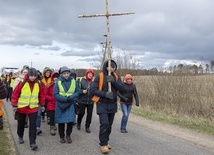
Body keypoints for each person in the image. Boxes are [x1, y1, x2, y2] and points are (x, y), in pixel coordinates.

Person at [91, 60, 124, 154]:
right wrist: (105, 94)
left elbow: (122, 88)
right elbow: (93, 90)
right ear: (105, 67)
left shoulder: (116, 77)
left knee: (109, 125)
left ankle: (106, 141)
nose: (111, 68)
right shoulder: (99, 76)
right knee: (104, 124)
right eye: (109, 66)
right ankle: (103, 144)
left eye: (112, 67)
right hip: (102, 104)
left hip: (112, 104)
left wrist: (113, 82)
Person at [11, 68, 45, 150]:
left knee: (33, 125)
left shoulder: (39, 83)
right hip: (22, 107)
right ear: (28, 75)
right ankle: (20, 135)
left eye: (34, 76)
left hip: (33, 107)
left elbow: (42, 95)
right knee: (21, 123)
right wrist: (14, 105)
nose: (33, 77)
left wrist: (42, 105)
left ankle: (32, 143)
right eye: (31, 76)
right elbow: (15, 94)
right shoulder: (22, 82)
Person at [54, 66, 80, 143]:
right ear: (61, 74)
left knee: (70, 121)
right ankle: (62, 137)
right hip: (61, 105)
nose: (66, 75)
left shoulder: (73, 81)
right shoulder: (58, 82)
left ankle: (68, 135)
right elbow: (55, 94)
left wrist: (71, 97)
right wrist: (65, 99)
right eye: (64, 73)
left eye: (67, 73)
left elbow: (77, 91)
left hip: (70, 104)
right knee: (61, 122)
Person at [76, 69, 95, 133]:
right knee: (81, 113)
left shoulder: (94, 82)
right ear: (86, 74)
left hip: (91, 101)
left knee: (89, 114)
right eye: (89, 73)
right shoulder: (81, 80)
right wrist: (82, 91)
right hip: (82, 100)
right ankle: (78, 122)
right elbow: (77, 89)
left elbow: (96, 90)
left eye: (91, 74)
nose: (90, 75)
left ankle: (87, 126)